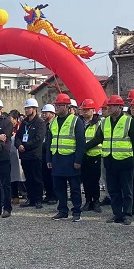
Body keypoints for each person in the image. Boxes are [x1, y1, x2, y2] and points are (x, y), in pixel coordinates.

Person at [88, 94, 134, 224]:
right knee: (113, 189)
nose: (109, 108)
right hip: (109, 161)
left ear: (120, 107)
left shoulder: (128, 121)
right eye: (108, 106)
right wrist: (84, 147)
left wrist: (129, 153)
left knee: (126, 189)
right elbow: (98, 138)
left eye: (112, 106)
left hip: (125, 161)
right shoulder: (104, 122)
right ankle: (117, 214)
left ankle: (127, 214)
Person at [47, 93, 86, 222]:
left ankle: (76, 211)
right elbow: (49, 142)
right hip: (57, 159)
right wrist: (49, 159)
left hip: (71, 159)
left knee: (74, 188)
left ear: (67, 107)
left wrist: (78, 160)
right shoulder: (53, 122)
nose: (56, 108)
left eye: (59, 105)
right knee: (59, 187)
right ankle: (62, 210)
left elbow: (81, 142)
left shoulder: (76, 121)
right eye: (56, 105)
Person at [15, 98, 46, 209]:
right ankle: (31, 198)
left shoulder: (40, 123)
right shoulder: (24, 123)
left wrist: (25, 146)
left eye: (28, 108)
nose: (26, 110)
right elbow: (18, 136)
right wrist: (19, 145)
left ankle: (38, 199)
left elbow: (38, 139)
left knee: (36, 178)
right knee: (28, 178)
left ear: (34, 109)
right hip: (25, 156)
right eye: (26, 108)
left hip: (34, 155)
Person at [79, 99, 102, 213]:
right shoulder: (79, 122)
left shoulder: (99, 122)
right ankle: (88, 201)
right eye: (84, 110)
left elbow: (98, 138)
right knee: (85, 180)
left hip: (95, 155)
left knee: (94, 180)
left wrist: (85, 147)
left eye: (87, 110)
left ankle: (96, 201)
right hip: (83, 156)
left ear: (93, 110)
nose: (85, 112)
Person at [40, 104, 57, 205]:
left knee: (52, 176)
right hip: (43, 153)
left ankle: (54, 195)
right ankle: (48, 194)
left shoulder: (55, 124)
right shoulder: (42, 125)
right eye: (42, 113)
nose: (43, 115)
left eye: (45, 113)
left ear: (52, 114)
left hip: (52, 152)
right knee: (45, 175)